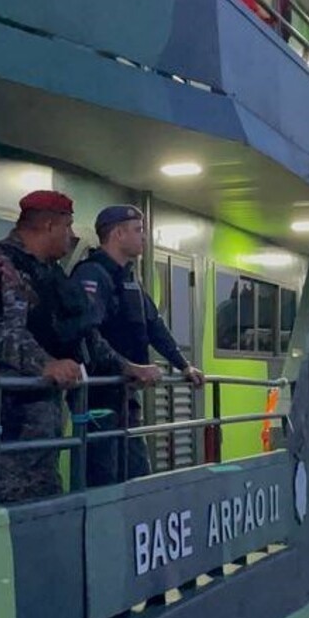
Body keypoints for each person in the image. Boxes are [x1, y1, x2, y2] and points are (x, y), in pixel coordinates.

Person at [0, 191, 160, 503]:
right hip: (11, 406)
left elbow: (84, 333)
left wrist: (126, 367)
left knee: (45, 490)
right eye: (67, 226)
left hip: (45, 403)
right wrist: (46, 365)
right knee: (12, 495)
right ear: (49, 225)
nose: (73, 234)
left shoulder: (51, 274)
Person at [71, 205, 204, 486]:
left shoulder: (129, 278)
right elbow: (86, 335)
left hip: (126, 398)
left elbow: (155, 326)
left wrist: (184, 365)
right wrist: (130, 367)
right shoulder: (92, 275)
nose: (144, 237)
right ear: (118, 234)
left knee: (136, 478)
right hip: (98, 399)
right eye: (138, 230)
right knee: (102, 481)